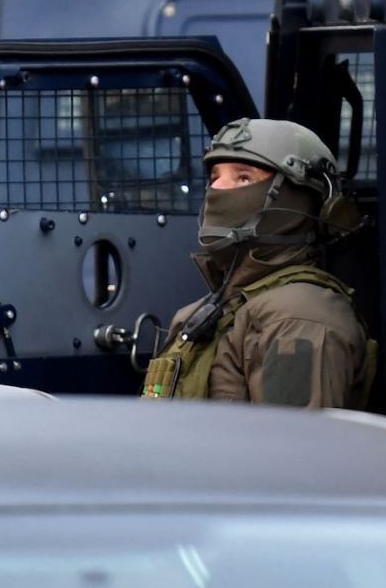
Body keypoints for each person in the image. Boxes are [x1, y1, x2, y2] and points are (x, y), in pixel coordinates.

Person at [141, 118, 369, 407]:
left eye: (244, 178)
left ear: (296, 199)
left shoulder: (299, 318)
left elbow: (294, 447)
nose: (218, 190)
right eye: (214, 177)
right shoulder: (208, 311)